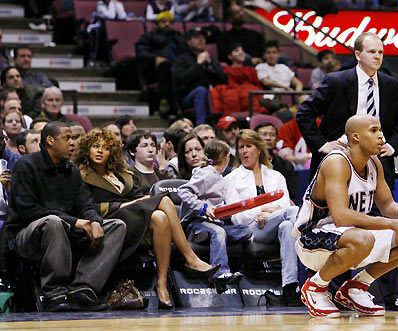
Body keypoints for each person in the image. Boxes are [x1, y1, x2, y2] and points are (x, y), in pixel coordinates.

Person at [296, 31, 398, 311]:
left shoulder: (390, 84)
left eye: (381, 52)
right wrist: (322, 145)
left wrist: (391, 147)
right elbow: (305, 112)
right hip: (339, 170)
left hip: (374, 160)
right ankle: (322, 289)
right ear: (357, 54)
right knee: (358, 232)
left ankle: (370, 290)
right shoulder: (338, 81)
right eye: (372, 52)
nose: (378, 56)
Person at [294, 115, 398, 318]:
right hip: (312, 239)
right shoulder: (336, 162)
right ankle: (316, 286)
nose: (381, 136)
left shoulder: (374, 162)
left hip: (352, 236)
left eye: (381, 130)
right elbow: (341, 216)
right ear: (355, 137)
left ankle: (357, 287)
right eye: (374, 131)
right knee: (363, 237)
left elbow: (387, 204)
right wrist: (391, 224)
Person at [73, 129, 219, 309]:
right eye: (95, 146)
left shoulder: (122, 174)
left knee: (159, 217)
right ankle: (190, 258)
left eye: (106, 147)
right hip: (109, 221)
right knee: (164, 200)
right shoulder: (80, 175)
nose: (100, 151)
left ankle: (162, 284)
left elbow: (135, 197)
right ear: (86, 149)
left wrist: (134, 203)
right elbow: (85, 207)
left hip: (133, 217)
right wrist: (121, 206)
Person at [3, 122, 127, 312]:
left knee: (117, 225)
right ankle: (55, 293)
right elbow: (28, 210)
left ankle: (83, 289)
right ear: (50, 141)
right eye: (67, 138)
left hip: (66, 231)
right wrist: (74, 221)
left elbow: (84, 204)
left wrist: (94, 221)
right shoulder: (26, 165)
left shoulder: (72, 169)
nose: (73, 143)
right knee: (54, 222)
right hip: (26, 236)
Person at [224, 129, 300, 306]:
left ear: (259, 150)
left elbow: (286, 206)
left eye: (248, 146)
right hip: (251, 229)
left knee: (288, 227)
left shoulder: (276, 176)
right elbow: (238, 218)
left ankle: (290, 288)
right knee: (295, 213)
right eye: (240, 147)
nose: (244, 151)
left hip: (276, 225)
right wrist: (262, 210)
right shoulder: (231, 179)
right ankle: (312, 257)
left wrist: (268, 213)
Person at [178, 140, 251, 293]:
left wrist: (222, 211)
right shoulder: (206, 174)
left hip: (214, 223)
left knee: (246, 231)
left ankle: (209, 238)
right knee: (219, 232)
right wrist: (204, 208)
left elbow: (215, 204)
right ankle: (220, 274)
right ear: (225, 159)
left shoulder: (221, 179)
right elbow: (183, 191)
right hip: (195, 222)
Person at [135, 11, 185, 119]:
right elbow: (140, 52)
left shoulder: (178, 37)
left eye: (170, 22)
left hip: (177, 69)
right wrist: (155, 58)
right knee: (165, 65)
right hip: (155, 70)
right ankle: (164, 100)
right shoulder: (149, 37)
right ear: (157, 24)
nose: (167, 24)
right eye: (164, 22)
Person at [173, 27, 227, 124]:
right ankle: (201, 125)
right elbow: (182, 79)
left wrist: (211, 64)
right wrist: (198, 64)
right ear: (189, 42)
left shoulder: (211, 59)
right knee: (201, 90)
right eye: (197, 37)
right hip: (188, 96)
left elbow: (223, 78)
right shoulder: (181, 59)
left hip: (212, 93)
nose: (201, 40)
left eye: (203, 37)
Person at [210, 43, 266, 116]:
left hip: (251, 98)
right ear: (230, 56)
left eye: (242, 50)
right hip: (235, 98)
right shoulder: (226, 70)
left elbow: (257, 85)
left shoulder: (251, 70)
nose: (241, 52)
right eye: (237, 51)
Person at [254, 122, 297, 204]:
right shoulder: (251, 164)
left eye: (272, 135)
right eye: (264, 134)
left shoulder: (286, 165)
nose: (268, 138)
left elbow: (292, 196)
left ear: (277, 140)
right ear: (255, 139)